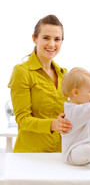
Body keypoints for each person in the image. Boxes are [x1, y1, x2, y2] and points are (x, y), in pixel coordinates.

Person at [8, 14, 72, 152]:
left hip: (60, 154)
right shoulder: (22, 72)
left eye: (57, 39)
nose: (52, 44)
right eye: (46, 38)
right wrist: (55, 124)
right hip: (30, 156)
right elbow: (23, 120)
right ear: (34, 38)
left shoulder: (64, 74)